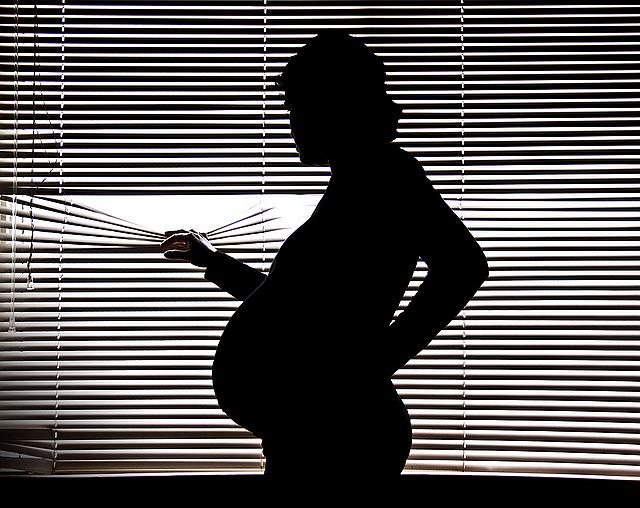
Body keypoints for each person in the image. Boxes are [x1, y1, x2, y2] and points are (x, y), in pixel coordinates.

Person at [161, 30, 488, 485]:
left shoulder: (387, 175)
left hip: (339, 434)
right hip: (310, 427)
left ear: (333, 103)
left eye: (297, 108)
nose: (292, 123)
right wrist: (211, 260)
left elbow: (464, 267)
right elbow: (294, 305)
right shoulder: (352, 186)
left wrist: (371, 367)